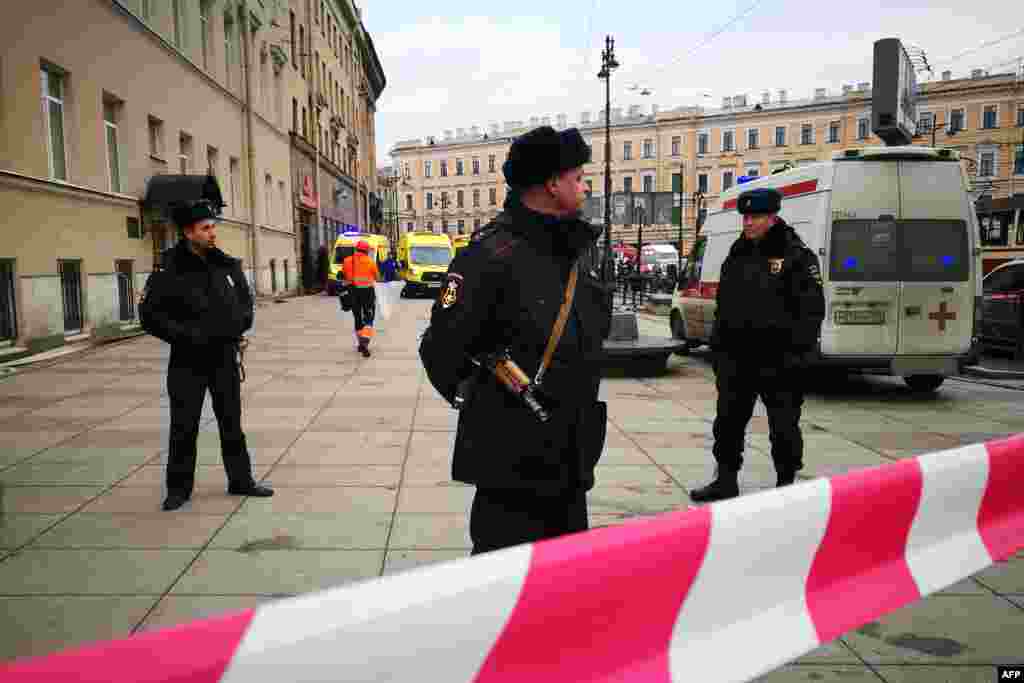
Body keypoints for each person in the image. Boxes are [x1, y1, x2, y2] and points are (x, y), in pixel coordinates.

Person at [419, 125, 612, 555]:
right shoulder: (490, 255)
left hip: (570, 448)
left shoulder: (576, 249)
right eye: (577, 177)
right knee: (503, 577)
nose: (584, 186)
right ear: (551, 183)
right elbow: (440, 347)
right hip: (511, 461)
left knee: (565, 575)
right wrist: (494, 401)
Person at [691, 187, 825, 503]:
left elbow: (811, 312)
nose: (748, 223)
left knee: (783, 427)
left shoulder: (795, 254)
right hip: (738, 361)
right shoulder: (737, 254)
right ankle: (725, 480)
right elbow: (724, 308)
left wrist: (797, 357)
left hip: (780, 362)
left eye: (756, 217)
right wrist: (719, 353)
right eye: (746, 217)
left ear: (773, 217)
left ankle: (786, 483)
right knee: (727, 423)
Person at [138, 200, 273, 511]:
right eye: (206, 228)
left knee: (231, 421)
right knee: (184, 425)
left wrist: (235, 325)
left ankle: (241, 480)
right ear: (188, 232)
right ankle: (178, 489)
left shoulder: (226, 264)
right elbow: (150, 316)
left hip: (224, 357)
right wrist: (187, 336)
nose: (213, 233)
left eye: (214, 227)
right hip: (187, 360)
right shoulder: (168, 267)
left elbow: (245, 305)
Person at [341, 240, 379, 357]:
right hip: (367, 293)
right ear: (367, 251)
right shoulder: (370, 262)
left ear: (356, 249)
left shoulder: (347, 261)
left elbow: (343, 275)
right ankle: (364, 344)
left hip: (353, 293)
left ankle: (360, 343)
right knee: (369, 318)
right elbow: (377, 276)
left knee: (357, 318)